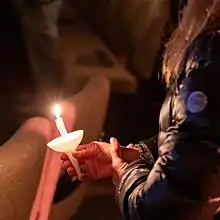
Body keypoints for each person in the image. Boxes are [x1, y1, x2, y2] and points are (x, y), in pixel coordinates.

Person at [61, 0, 220, 219]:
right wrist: (138, 154)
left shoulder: (211, 57)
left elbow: (159, 209)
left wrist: (125, 173)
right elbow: (200, 140)